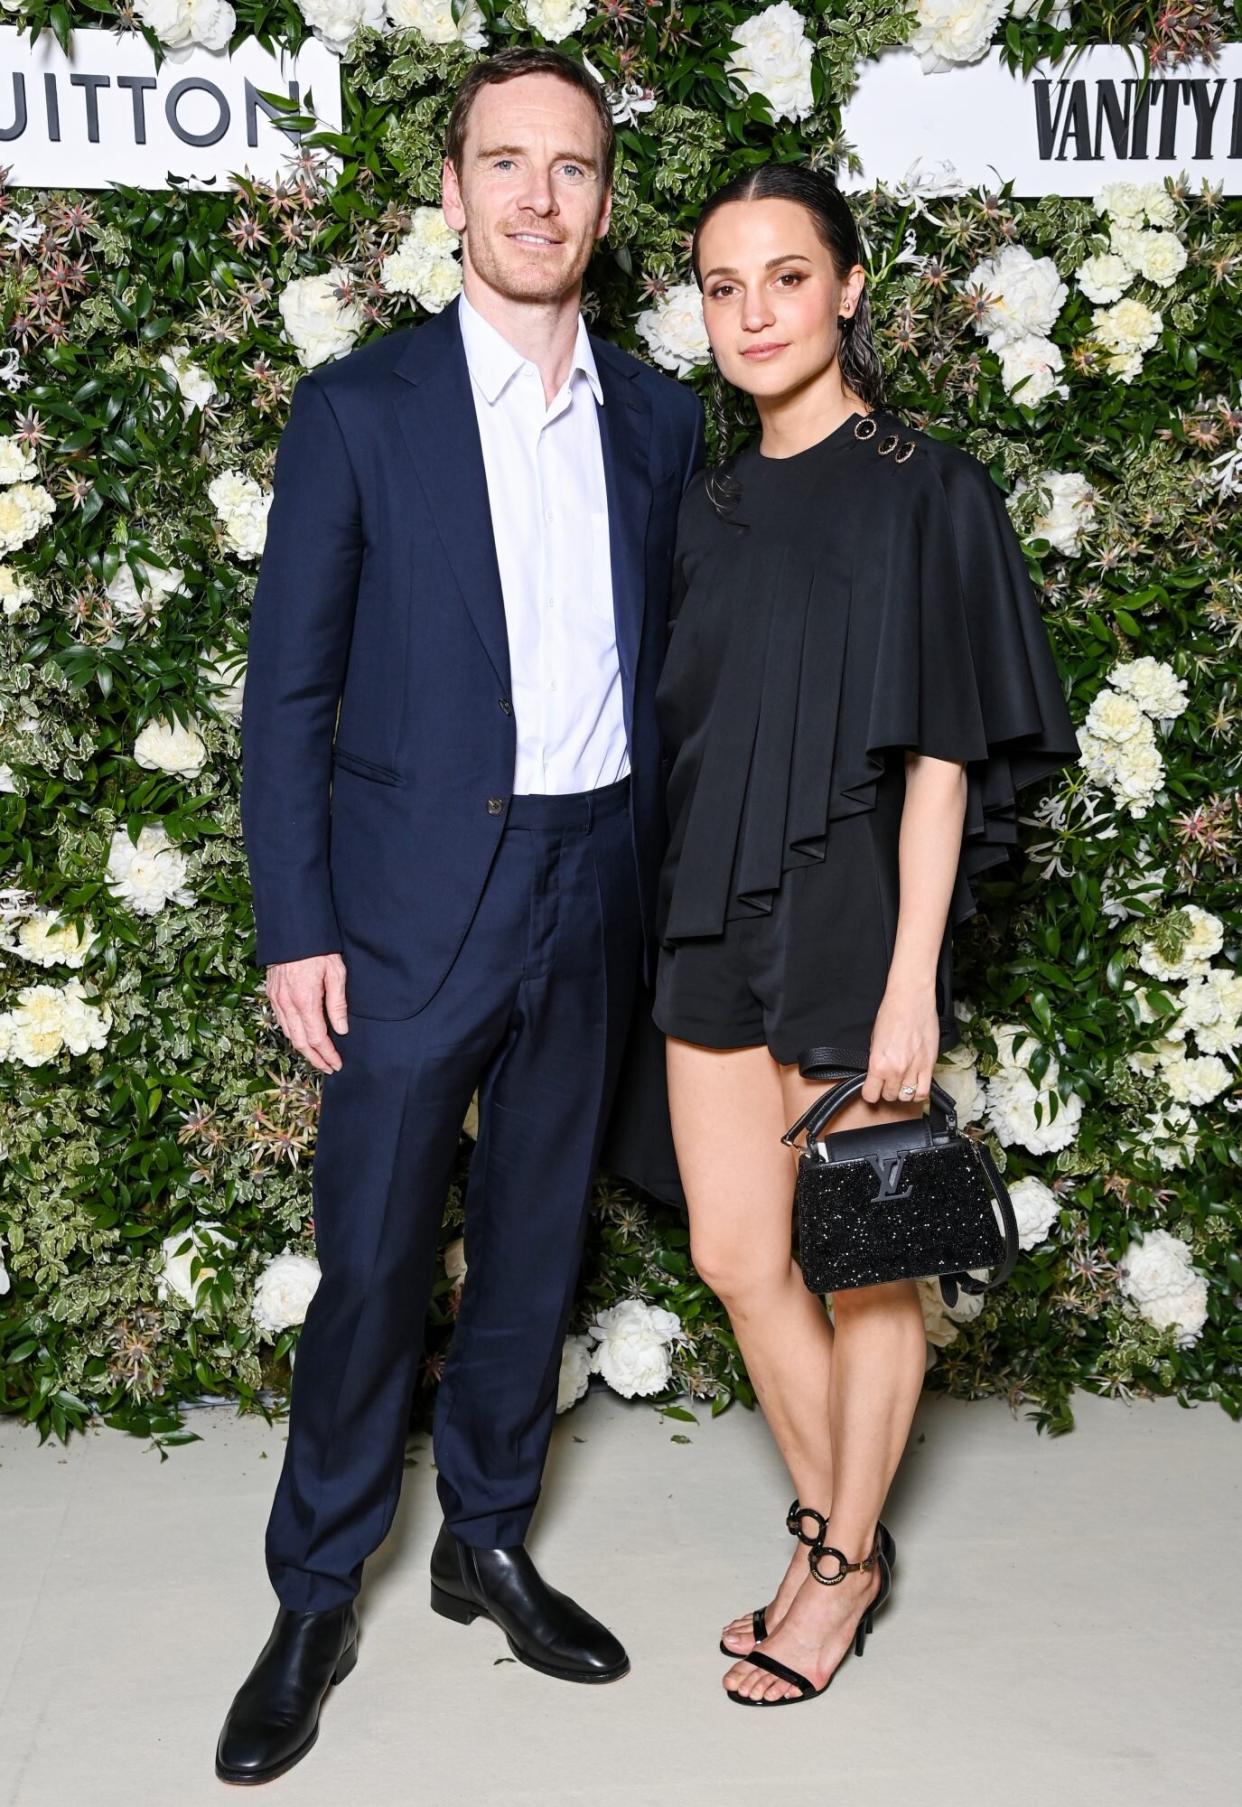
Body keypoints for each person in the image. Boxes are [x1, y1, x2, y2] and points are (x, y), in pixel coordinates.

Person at [217, 46, 703, 1784]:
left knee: (532, 1251)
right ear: (451, 191)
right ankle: (315, 1588)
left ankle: (486, 1541)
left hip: (595, 883)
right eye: (504, 162)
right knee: (370, 1266)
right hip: (416, 903)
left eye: (568, 167)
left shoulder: (655, 414)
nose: (536, 196)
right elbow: (287, 698)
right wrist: (299, 924)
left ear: (599, 198)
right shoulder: (360, 408)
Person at [651, 163, 1079, 1707]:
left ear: (846, 288)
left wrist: (914, 981)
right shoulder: (697, 505)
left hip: (854, 915)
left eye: (783, 275)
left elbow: (945, 753)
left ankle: (828, 1574)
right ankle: (847, 1537)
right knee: (734, 1249)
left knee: (867, 1266)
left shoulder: (925, 485)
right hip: (706, 904)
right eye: (720, 285)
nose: (753, 311)